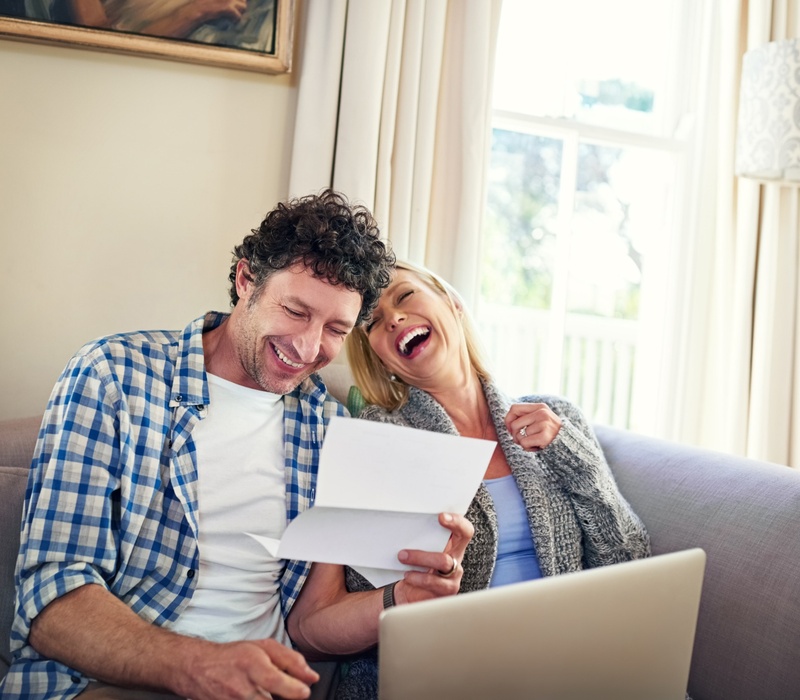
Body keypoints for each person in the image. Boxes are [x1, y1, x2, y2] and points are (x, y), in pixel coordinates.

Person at [0, 192, 474, 700]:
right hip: (100, 684)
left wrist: (401, 598)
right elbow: (51, 597)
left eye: (335, 329)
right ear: (246, 279)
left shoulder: (328, 424)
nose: (309, 348)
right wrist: (198, 665)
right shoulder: (113, 375)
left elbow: (309, 627)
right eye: (295, 311)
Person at [289, 260, 651, 699]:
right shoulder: (379, 441)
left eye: (405, 297)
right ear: (380, 356)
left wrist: (572, 457)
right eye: (375, 322)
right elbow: (330, 618)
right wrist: (409, 591)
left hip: (567, 667)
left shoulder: (558, 420)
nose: (395, 319)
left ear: (453, 303)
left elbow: (630, 564)